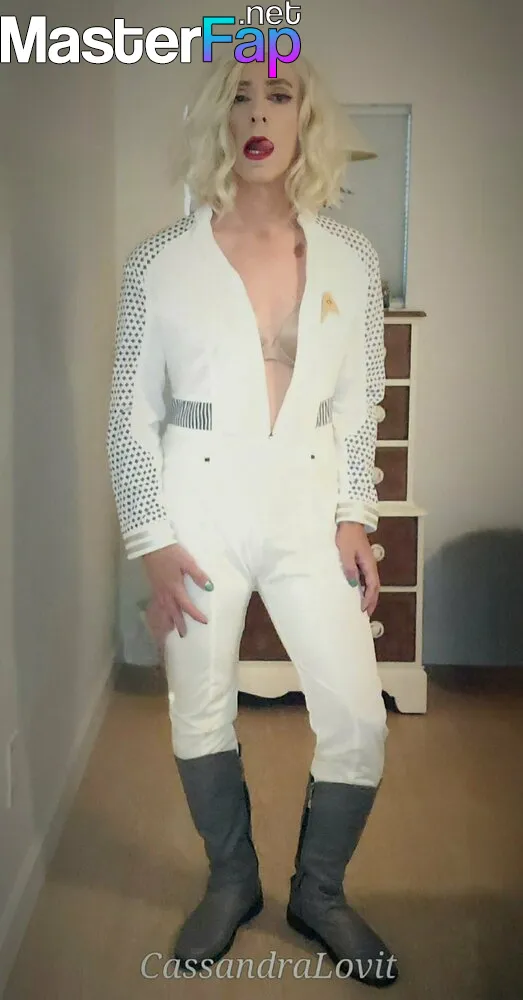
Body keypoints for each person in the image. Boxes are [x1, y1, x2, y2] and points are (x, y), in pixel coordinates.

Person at [106, 50, 398, 988]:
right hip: (197, 507)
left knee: (357, 715)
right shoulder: (159, 261)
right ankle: (230, 882)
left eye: (278, 95)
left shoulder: (352, 259)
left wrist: (355, 515)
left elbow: (360, 405)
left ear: (305, 118)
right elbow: (128, 416)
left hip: (307, 504)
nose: (258, 114)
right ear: (218, 119)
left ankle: (319, 892)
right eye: (239, 97)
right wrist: (152, 541)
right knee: (198, 707)